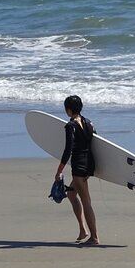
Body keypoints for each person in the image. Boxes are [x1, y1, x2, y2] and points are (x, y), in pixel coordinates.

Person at [55, 95, 99, 245]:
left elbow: (68, 151)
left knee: (86, 201)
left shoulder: (70, 126)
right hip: (89, 164)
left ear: (68, 109)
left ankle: (94, 237)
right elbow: (98, 143)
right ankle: (83, 230)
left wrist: (59, 171)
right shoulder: (89, 123)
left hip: (79, 166)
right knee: (72, 194)